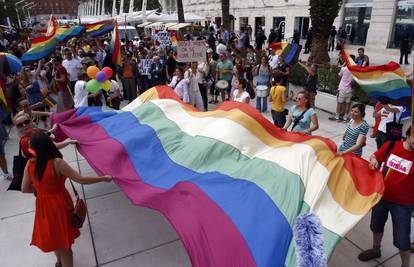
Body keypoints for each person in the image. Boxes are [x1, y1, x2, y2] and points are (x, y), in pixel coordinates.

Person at [21, 132, 112, 267]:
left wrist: (41, 190)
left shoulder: (30, 163)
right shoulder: (56, 163)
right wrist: (104, 178)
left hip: (42, 205)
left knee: (53, 236)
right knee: (64, 244)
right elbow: (81, 179)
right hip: (59, 205)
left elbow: (24, 188)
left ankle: (58, 262)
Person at [358, 127, 414, 267]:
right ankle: (376, 249)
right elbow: (375, 156)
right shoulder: (391, 145)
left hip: (403, 204)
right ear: (408, 135)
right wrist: (373, 160)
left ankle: (405, 265)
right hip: (381, 196)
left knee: (402, 239)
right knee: (376, 226)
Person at [329, 57, 354, 122]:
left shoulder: (344, 69)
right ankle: (345, 118)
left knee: (339, 103)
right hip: (350, 89)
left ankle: (337, 116)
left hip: (342, 88)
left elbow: (339, 76)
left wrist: (343, 65)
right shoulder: (355, 69)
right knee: (348, 104)